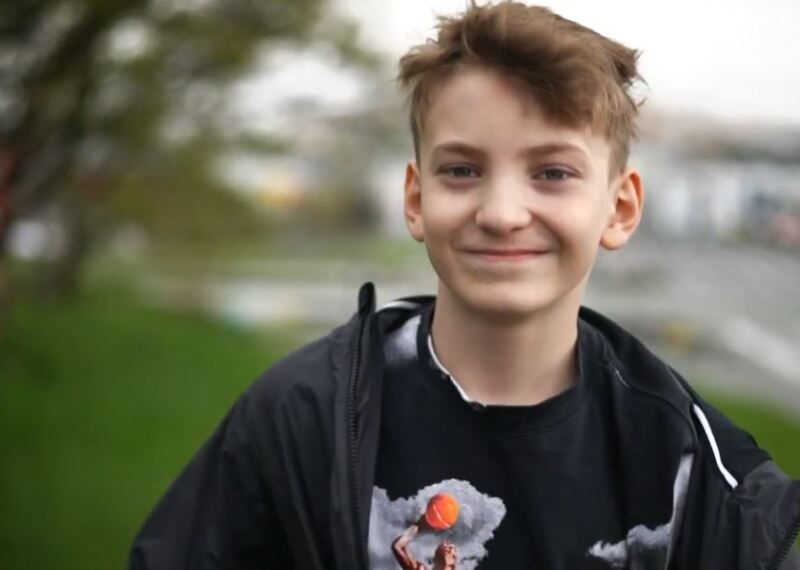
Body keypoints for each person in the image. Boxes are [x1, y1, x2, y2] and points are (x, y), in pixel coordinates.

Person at [128, 2, 800, 568]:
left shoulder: (696, 471)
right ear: (416, 200)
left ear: (619, 208)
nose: (503, 214)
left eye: (553, 173)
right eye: (462, 171)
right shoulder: (301, 417)